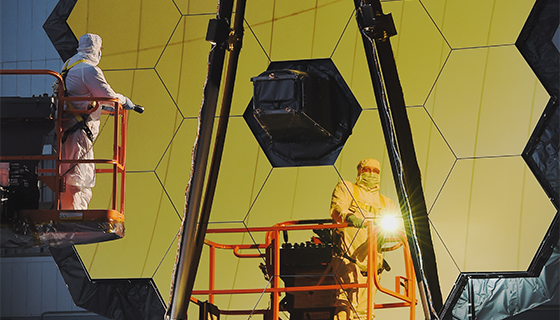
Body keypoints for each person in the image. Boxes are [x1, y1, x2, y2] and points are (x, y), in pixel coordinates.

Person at [59, 33, 136, 210]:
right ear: (96, 50)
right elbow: (108, 96)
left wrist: (102, 108)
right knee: (78, 178)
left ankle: (67, 212)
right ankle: (74, 217)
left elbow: (80, 96)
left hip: (67, 129)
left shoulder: (69, 65)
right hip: (79, 132)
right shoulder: (88, 70)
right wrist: (124, 101)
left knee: (66, 175)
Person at [330, 158, 401, 320]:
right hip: (348, 258)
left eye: (376, 171)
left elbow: (399, 226)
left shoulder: (386, 202)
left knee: (365, 311)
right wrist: (349, 217)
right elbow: (337, 208)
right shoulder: (347, 188)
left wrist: (388, 234)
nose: (371, 174)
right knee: (346, 303)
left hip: (373, 266)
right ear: (360, 171)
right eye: (367, 170)